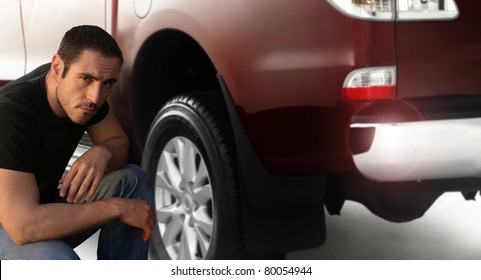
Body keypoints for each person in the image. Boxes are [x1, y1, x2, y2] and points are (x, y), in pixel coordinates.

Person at [0, 25, 156, 260]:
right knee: (59, 259)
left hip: (36, 206)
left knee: (134, 181)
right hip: (12, 221)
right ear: (57, 68)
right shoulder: (12, 114)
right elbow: (23, 227)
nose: (95, 97)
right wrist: (116, 208)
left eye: (107, 83)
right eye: (86, 79)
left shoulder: (82, 96)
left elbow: (118, 143)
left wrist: (103, 152)